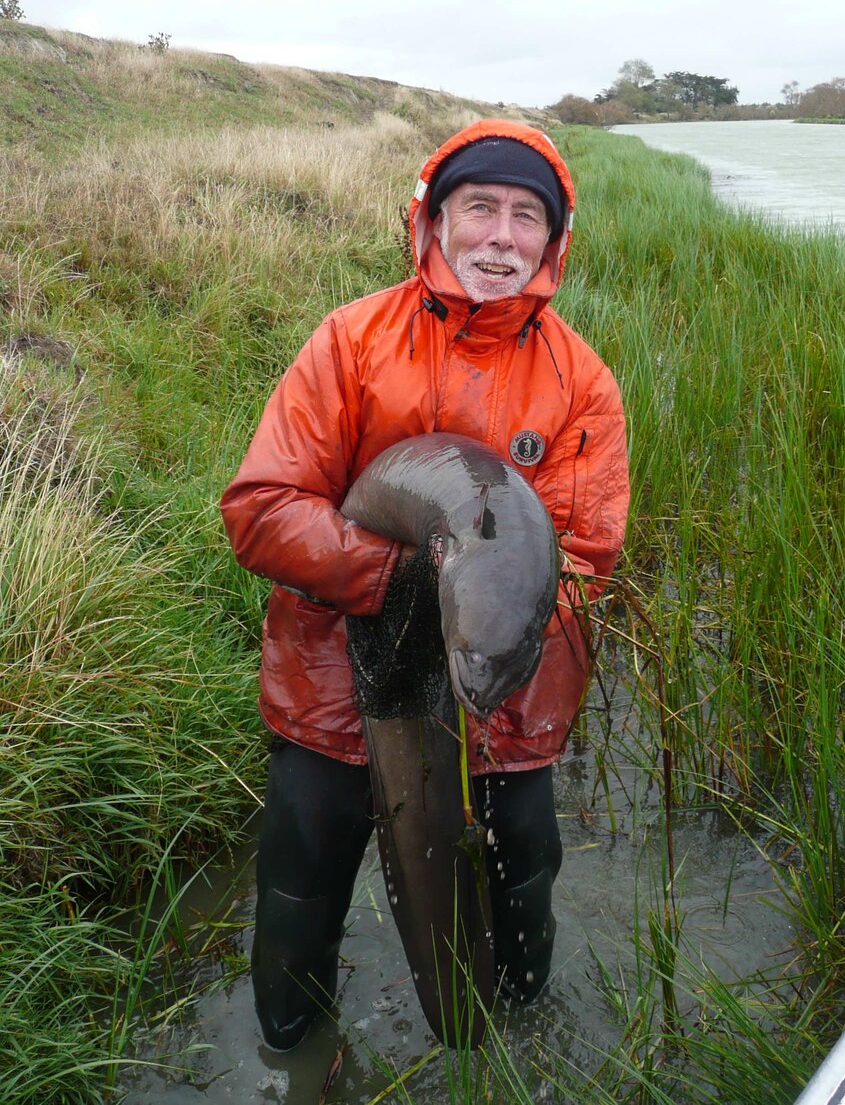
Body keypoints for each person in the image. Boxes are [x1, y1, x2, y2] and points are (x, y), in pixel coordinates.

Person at [220, 118, 629, 1051]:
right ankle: (296, 1049)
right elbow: (261, 505)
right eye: (479, 206)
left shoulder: (583, 383)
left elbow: (588, 553)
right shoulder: (351, 341)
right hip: (334, 675)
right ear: (434, 219)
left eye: (528, 217)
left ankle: (513, 1040)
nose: (500, 236)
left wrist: (486, 652)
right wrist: (400, 577)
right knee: (299, 882)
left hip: (501, 690)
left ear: (554, 241)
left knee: (524, 874)